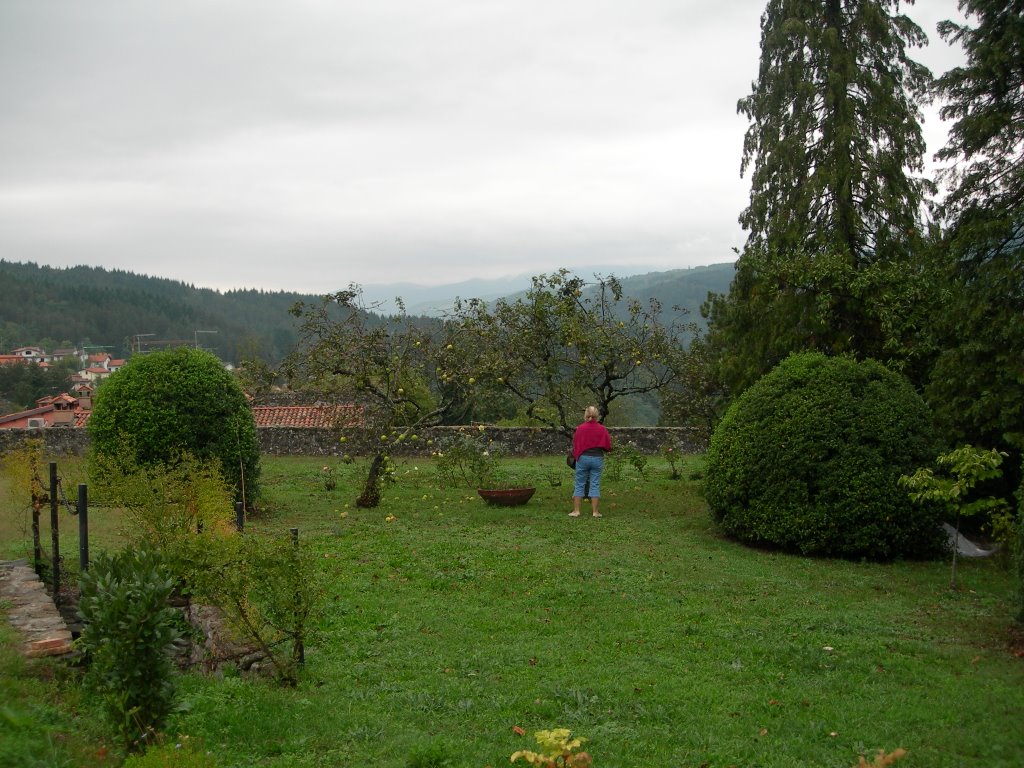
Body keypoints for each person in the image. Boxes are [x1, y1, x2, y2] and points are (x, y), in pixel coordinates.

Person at [570, 405, 612, 518]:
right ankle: (595, 512)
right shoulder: (602, 429)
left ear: (586, 415)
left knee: (579, 484)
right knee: (595, 484)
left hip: (583, 458)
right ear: (597, 416)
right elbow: (608, 446)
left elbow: (575, 444)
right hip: (597, 458)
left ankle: (576, 511)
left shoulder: (580, 428)